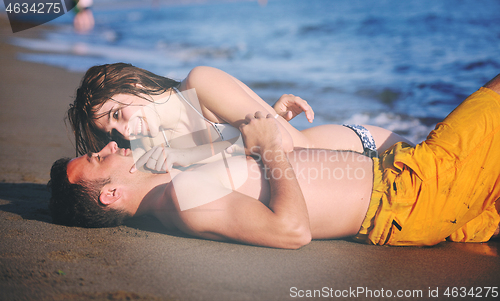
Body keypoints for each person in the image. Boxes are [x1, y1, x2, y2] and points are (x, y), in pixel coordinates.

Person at [49, 73, 500, 248]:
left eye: (110, 125)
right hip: (409, 193)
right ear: (109, 193)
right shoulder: (181, 199)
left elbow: (252, 161)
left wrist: (268, 130)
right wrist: (268, 147)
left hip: (406, 185)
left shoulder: (175, 186)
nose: (114, 142)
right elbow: (292, 231)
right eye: (97, 155)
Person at [68, 63, 412, 173]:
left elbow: (281, 146)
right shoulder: (156, 148)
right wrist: (272, 119)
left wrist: (188, 155)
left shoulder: (199, 82)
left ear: (135, 82)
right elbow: (255, 148)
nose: (125, 130)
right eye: (113, 130)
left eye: (117, 113)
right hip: (350, 185)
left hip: (368, 150)